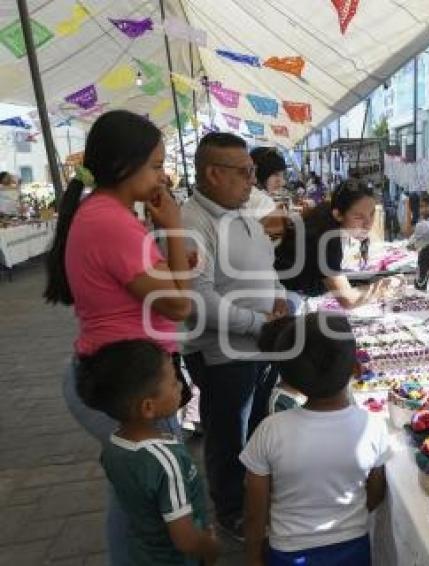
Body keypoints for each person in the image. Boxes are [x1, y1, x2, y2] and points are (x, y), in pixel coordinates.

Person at [44, 110, 193, 566]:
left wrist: (173, 249)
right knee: (150, 505)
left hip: (122, 373)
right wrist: (172, 227)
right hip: (132, 386)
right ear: (124, 165)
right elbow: (179, 305)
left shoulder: (106, 216)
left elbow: (168, 279)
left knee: (133, 496)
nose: (161, 176)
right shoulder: (109, 221)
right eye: (154, 165)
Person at [180, 132, 288, 540]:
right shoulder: (193, 221)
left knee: (258, 428)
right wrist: (258, 322)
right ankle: (230, 509)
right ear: (212, 173)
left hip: (259, 346)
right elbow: (197, 299)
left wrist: (278, 298)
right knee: (228, 433)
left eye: (253, 172)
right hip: (224, 353)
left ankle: (253, 495)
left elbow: (267, 267)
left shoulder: (239, 211)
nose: (251, 180)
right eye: (243, 172)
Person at [243, 313, 389, 566]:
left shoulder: (270, 430)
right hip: (352, 547)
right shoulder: (372, 426)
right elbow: (376, 493)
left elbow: (255, 511)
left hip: (287, 551)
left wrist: (253, 558)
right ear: (357, 368)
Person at [77, 340, 220, 565]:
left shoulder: (114, 445)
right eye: (174, 383)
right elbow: (185, 540)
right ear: (148, 407)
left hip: (142, 553)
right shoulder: (167, 461)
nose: (181, 386)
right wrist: (209, 546)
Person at [275, 179, 401, 308]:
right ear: (338, 215)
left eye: (372, 214)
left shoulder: (327, 214)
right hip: (285, 301)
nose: (368, 224)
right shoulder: (326, 239)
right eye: (359, 217)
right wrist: (382, 288)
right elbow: (349, 300)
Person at [402, 192, 429, 291]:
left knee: (420, 292)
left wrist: (408, 210)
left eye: (426, 206)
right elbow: (411, 242)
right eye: (421, 206)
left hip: (428, 263)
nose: (423, 209)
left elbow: (408, 235)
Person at [247, 147, 288, 239]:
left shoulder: (243, 194)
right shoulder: (263, 201)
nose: (282, 182)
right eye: (275, 174)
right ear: (258, 172)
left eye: (282, 175)